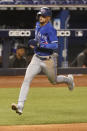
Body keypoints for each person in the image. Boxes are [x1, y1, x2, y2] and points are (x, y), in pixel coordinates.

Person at [11, 7, 74, 115]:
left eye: (43, 16)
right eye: (40, 15)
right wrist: (34, 43)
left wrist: (40, 44)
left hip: (48, 60)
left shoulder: (50, 29)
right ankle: (20, 106)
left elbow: (54, 45)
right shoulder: (37, 25)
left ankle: (68, 80)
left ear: (48, 18)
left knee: (54, 81)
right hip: (36, 58)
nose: (41, 17)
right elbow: (37, 40)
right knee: (26, 80)